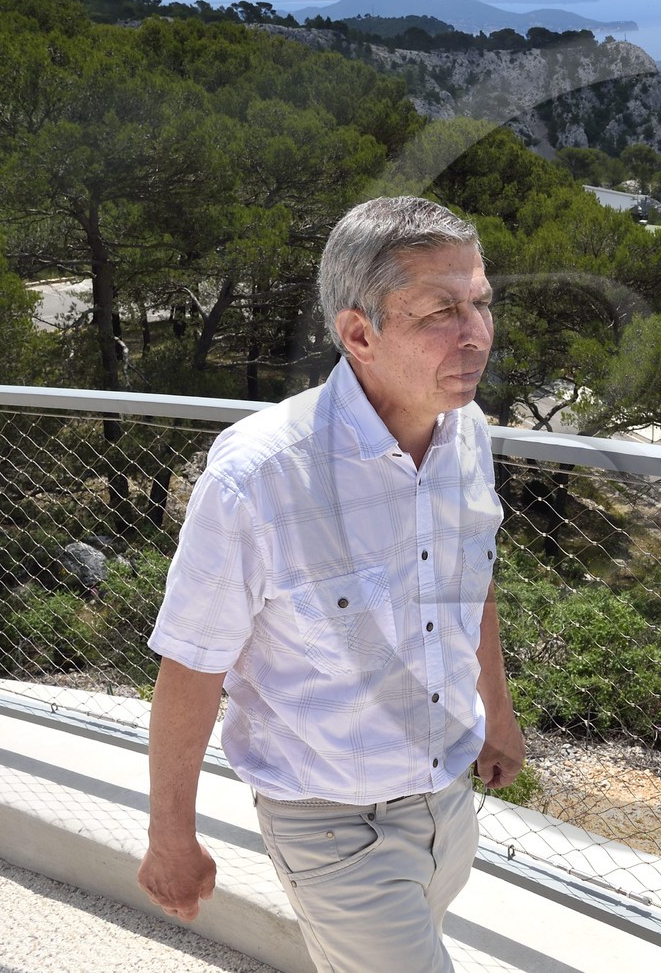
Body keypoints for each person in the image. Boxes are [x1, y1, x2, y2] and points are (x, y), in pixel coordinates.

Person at [137, 196, 524, 973]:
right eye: (441, 312)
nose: (476, 334)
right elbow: (193, 661)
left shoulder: (467, 435)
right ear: (358, 333)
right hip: (333, 827)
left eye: (480, 302)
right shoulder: (262, 476)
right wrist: (169, 836)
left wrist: (498, 712)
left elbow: (469, 581)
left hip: (447, 799)